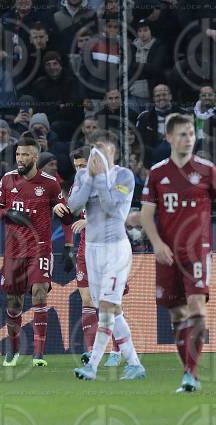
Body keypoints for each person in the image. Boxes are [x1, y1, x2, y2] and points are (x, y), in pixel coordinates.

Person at [140, 113, 216, 392]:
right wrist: (157, 244)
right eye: (182, 134)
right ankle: (189, 371)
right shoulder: (157, 173)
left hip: (197, 250)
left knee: (197, 305)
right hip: (167, 254)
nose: (188, 139)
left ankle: (190, 372)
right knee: (177, 314)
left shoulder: (207, 170)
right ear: (169, 137)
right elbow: (147, 216)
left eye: (191, 134)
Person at [68, 130, 146, 381]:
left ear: (114, 153)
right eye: (95, 149)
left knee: (106, 307)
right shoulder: (83, 175)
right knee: (113, 309)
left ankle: (92, 365)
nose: (97, 154)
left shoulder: (124, 176)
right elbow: (73, 205)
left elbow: (112, 206)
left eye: (104, 149)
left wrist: (99, 179)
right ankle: (134, 364)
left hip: (116, 249)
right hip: (92, 250)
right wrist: (89, 179)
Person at [0, 135, 73, 367]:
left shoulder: (49, 183)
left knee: (39, 292)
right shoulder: (7, 180)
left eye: (25, 154)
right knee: (14, 302)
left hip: (40, 247)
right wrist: (9, 214)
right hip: (14, 250)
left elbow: (66, 217)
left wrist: (68, 246)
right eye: (18, 154)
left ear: (35, 157)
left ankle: (39, 353)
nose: (20, 158)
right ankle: (14, 349)